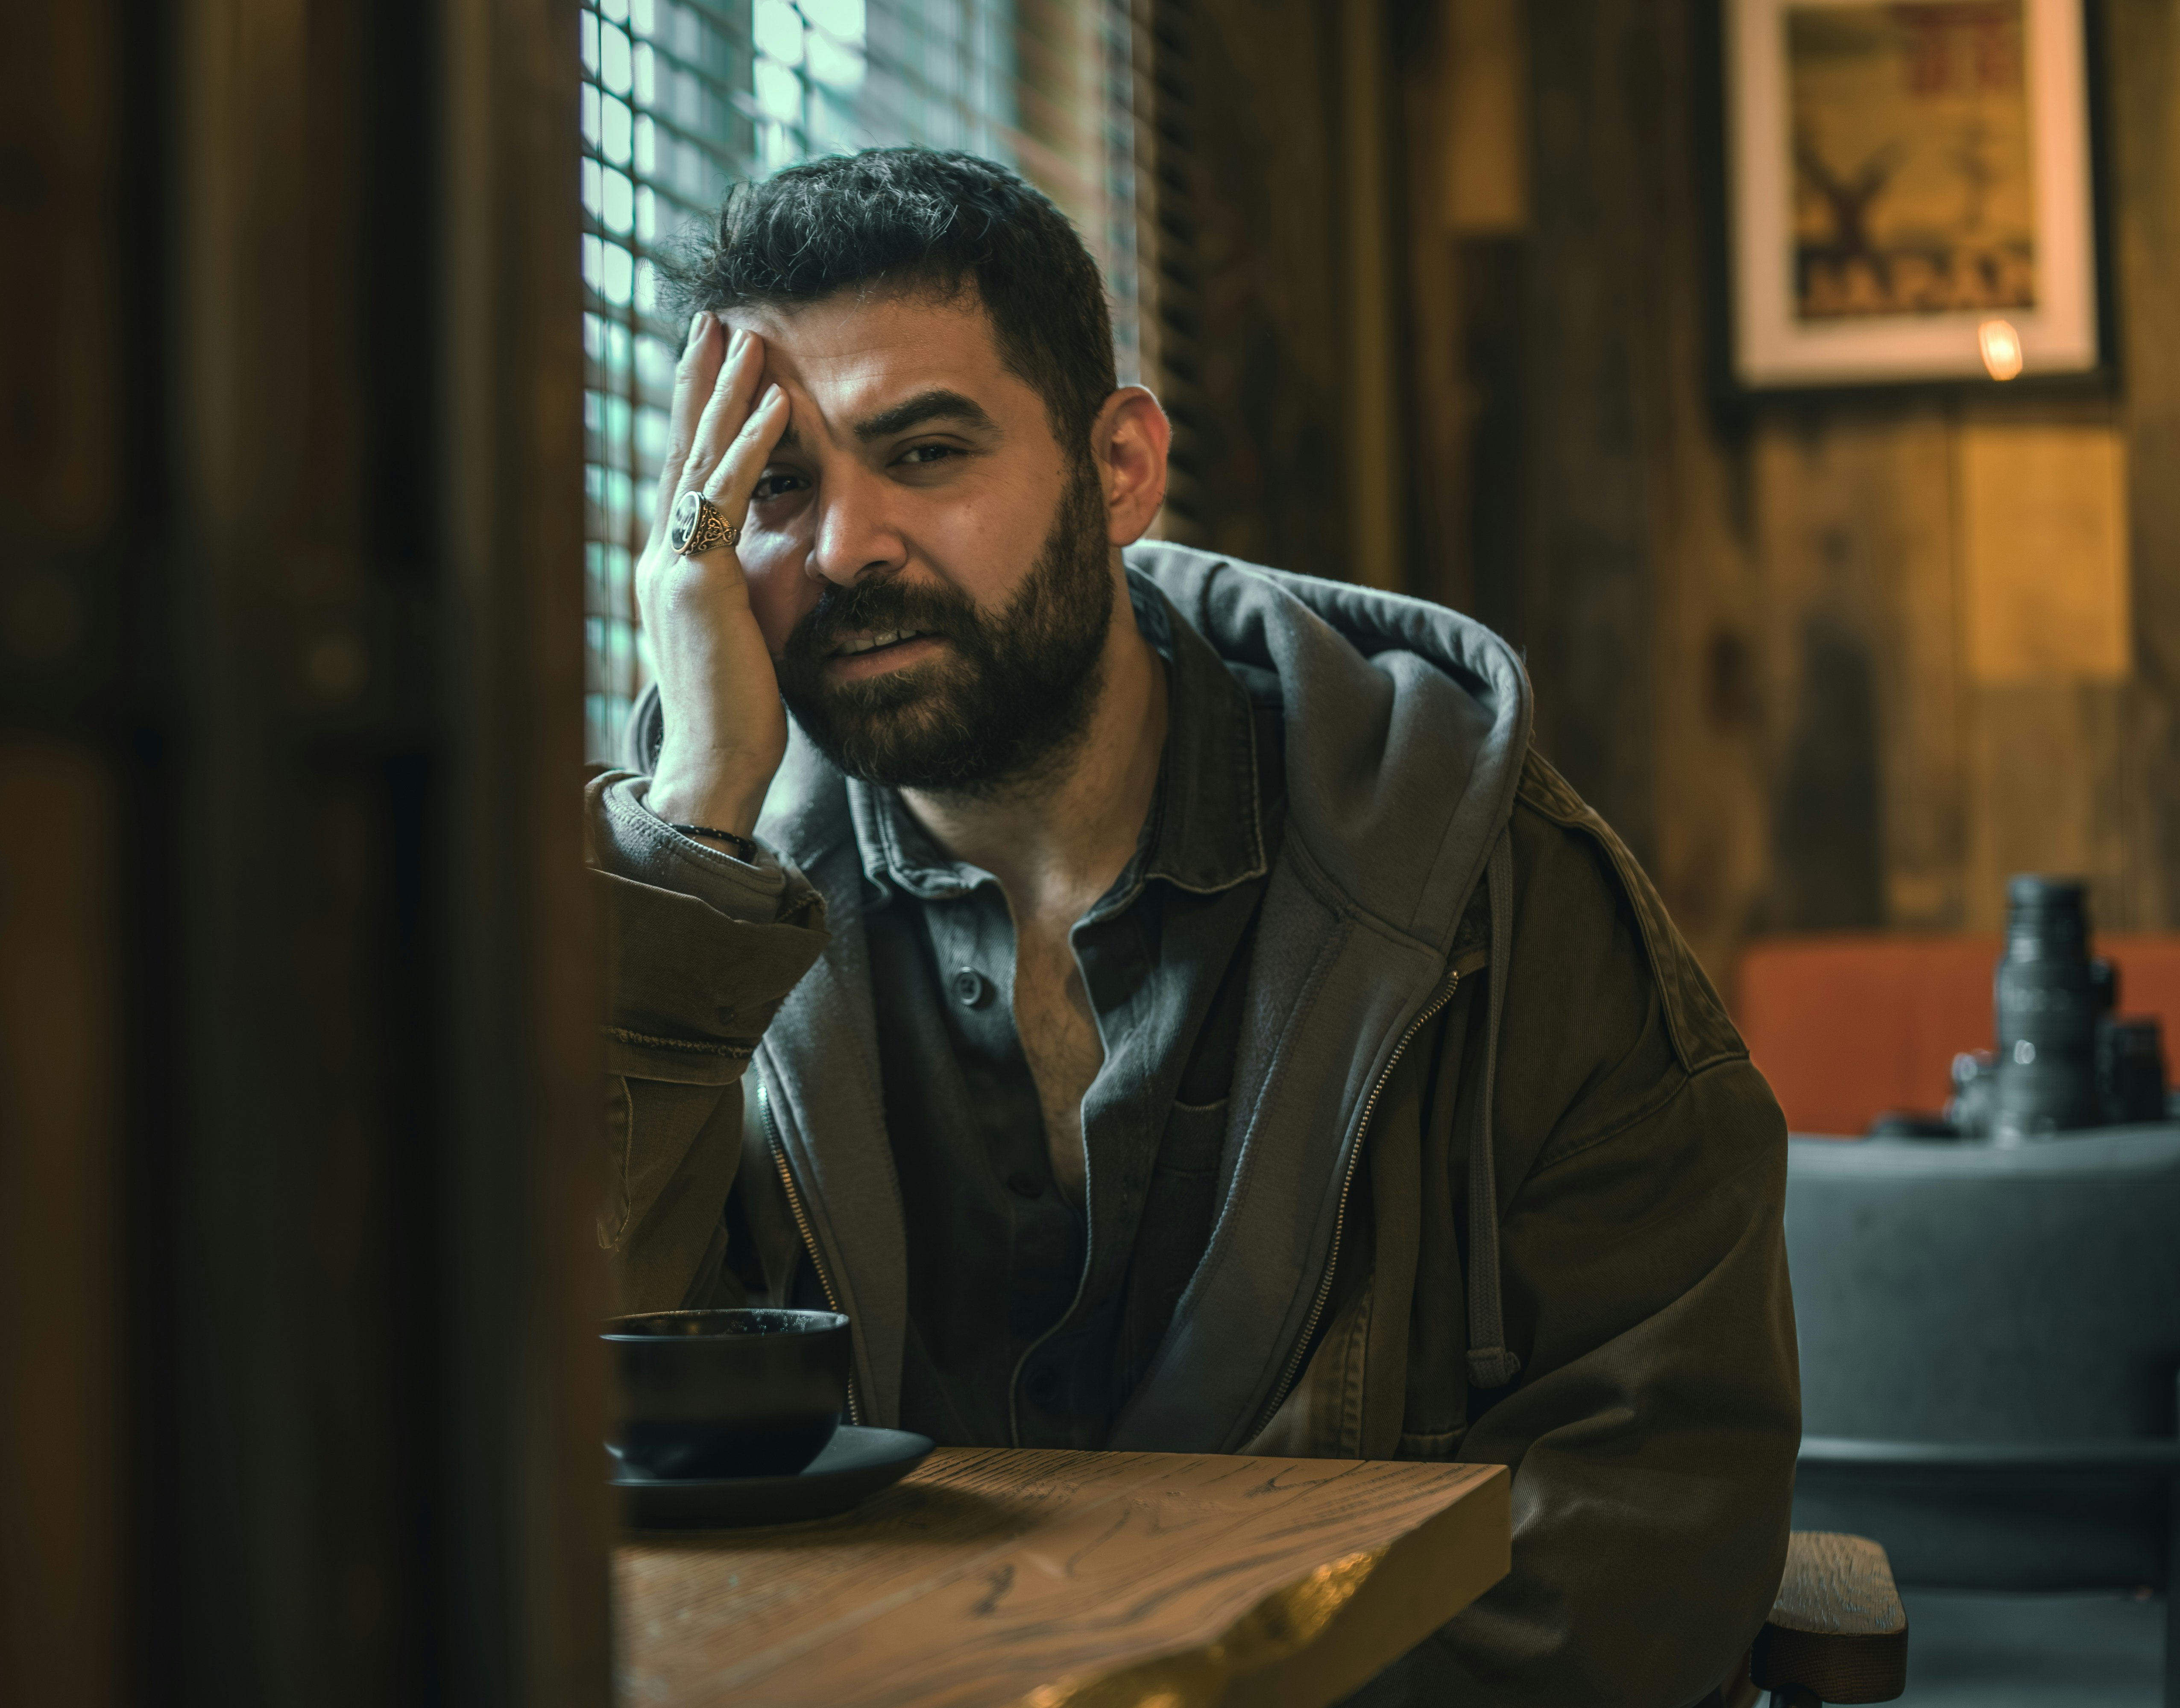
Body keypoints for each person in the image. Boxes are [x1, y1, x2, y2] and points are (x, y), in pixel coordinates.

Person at [586, 146, 1796, 1705]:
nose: (844, 550)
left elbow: (1656, 1525)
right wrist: (694, 810)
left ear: (1122, 469)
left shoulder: (1496, 887)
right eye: (777, 487)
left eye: (928, 450)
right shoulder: (697, 917)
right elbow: (540, 1445)